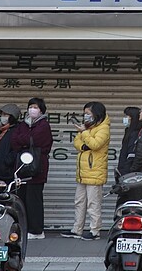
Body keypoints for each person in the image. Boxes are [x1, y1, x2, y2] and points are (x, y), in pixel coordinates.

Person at [61, 101, 110, 241]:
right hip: (83, 173)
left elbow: (95, 144)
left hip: (95, 171)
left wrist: (84, 133)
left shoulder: (103, 128)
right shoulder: (88, 127)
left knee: (93, 203)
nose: (85, 116)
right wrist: (84, 145)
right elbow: (77, 142)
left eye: (88, 114)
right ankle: (77, 229)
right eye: (85, 113)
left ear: (96, 114)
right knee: (79, 201)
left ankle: (95, 231)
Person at [10, 98, 53, 240]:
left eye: (35, 107)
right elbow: (14, 140)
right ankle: (24, 227)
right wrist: (27, 140)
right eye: (30, 106)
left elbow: (34, 140)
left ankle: (37, 230)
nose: (32, 109)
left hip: (37, 168)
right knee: (21, 198)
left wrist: (26, 140)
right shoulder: (23, 124)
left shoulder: (43, 125)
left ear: (41, 110)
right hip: (22, 168)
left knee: (34, 199)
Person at [0, 103, 21, 183]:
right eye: (2, 114)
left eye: (5, 115)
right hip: (0, 171)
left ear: (12, 117)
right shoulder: (2, 130)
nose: (2, 117)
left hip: (9, 173)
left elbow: (17, 150)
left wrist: (6, 162)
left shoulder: (17, 131)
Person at [115, 106, 142, 183]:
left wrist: (125, 170)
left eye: (127, 116)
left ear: (132, 118)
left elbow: (131, 153)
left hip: (128, 170)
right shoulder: (128, 130)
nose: (125, 118)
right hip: (124, 168)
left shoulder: (135, 132)